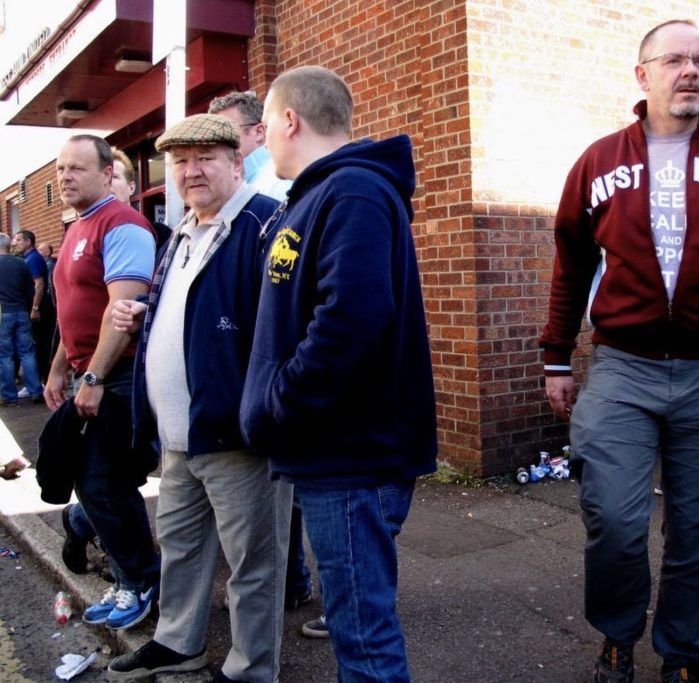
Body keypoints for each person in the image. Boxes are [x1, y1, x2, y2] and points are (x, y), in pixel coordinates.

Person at [540, 20, 699, 683]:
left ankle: (683, 652)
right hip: (623, 367)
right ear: (642, 74)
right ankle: (617, 636)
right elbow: (570, 265)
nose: (690, 71)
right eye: (675, 59)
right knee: (615, 519)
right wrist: (557, 357)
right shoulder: (599, 162)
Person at [239, 65, 437, 682]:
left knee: (364, 641)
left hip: (351, 459)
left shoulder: (352, 192)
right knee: (358, 629)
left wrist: (279, 403)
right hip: (334, 454)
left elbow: (352, 320)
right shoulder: (321, 193)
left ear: (290, 119)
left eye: (265, 123)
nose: (262, 138)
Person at [105, 114, 289, 682]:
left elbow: (281, 327)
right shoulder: (183, 230)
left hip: (236, 436)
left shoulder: (265, 224)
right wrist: (144, 315)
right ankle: (178, 642)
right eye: (181, 161)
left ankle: (251, 668)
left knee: (253, 562)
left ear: (237, 162)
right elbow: (198, 310)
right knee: (180, 546)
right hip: (180, 434)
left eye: (206, 158)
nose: (192, 171)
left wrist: (261, 412)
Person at [45, 134, 160, 631]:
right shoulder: (78, 227)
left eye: (77, 168)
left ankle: (141, 580)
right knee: (94, 481)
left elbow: (122, 312)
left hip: (119, 376)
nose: (65, 177)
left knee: (105, 482)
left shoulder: (122, 225)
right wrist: (59, 368)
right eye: (60, 169)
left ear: (107, 173)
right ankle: (123, 567)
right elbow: (74, 311)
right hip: (91, 373)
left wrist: (93, 376)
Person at [208, 88, 315, 618]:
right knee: (278, 483)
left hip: (282, 364)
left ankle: (304, 584)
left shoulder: (279, 188)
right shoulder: (241, 188)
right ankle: (293, 581)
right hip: (253, 360)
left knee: (300, 485)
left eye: (228, 133)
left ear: (258, 131)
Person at [208, 90, 291, 200]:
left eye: (226, 131)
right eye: (213, 135)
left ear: (259, 132)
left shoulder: (279, 183)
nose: (217, 141)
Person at [0, 233, 43, 406]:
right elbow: (30, 290)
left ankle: (9, 396)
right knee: (27, 353)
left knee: (5, 356)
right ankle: (36, 391)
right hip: (21, 311)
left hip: (3, 313)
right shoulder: (21, 264)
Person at [11, 229, 55, 381]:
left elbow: (39, 284)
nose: (15, 243)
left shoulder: (33, 259)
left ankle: (46, 380)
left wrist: (35, 308)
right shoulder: (27, 258)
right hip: (35, 307)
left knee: (42, 344)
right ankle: (43, 379)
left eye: (18, 240)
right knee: (39, 345)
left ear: (28, 242)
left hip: (41, 309)